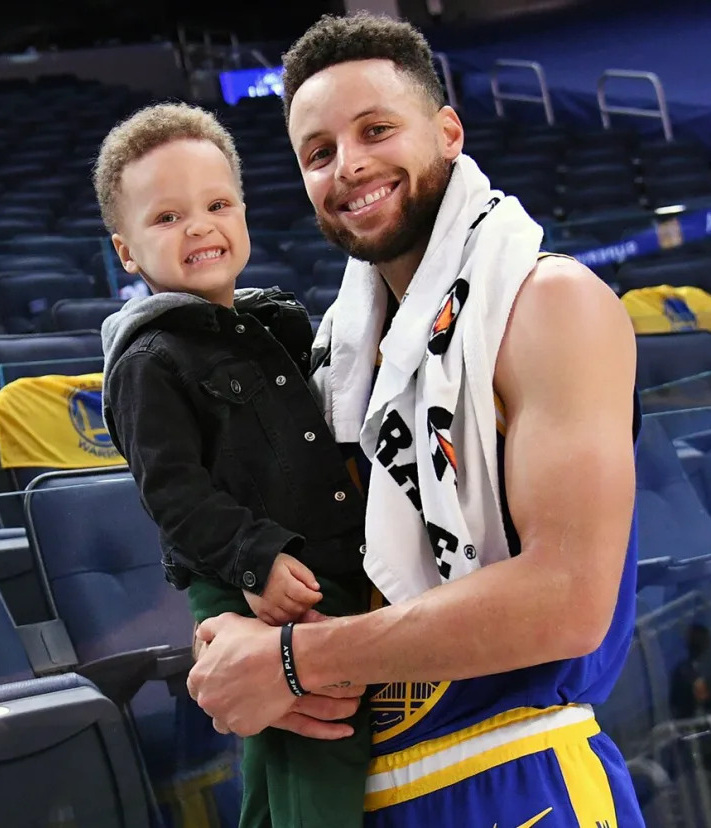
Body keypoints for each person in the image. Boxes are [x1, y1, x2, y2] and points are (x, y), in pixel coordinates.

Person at [187, 13, 644, 828]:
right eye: (318, 153)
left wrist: (294, 661)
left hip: (515, 778)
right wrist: (232, 636)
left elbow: (572, 599)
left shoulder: (550, 304)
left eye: (375, 130)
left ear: (448, 132)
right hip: (361, 789)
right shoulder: (332, 360)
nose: (349, 165)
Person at [94, 102, 372, 828]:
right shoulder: (148, 361)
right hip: (251, 584)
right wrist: (257, 561)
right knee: (326, 741)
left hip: (304, 571)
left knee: (278, 763)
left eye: (218, 204)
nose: (199, 227)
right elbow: (174, 496)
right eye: (166, 218)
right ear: (127, 252)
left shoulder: (272, 325)